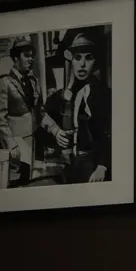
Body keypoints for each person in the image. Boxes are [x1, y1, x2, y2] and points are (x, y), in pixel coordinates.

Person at [40, 27, 111, 183]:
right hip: (68, 166)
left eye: (88, 58)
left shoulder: (104, 95)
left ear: (95, 61)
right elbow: (42, 115)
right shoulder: (61, 95)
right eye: (78, 58)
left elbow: (110, 133)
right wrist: (55, 130)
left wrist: (102, 166)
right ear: (70, 59)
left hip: (92, 166)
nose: (83, 65)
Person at [0, 34, 41, 186]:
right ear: (15, 59)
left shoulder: (33, 81)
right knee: (15, 183)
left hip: (32, 140)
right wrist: (10, 143)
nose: (30, 59)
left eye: (32, 56)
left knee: (29, 181)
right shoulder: (4, 83)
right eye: (26, 56)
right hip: (17, 143)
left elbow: (38, 109)